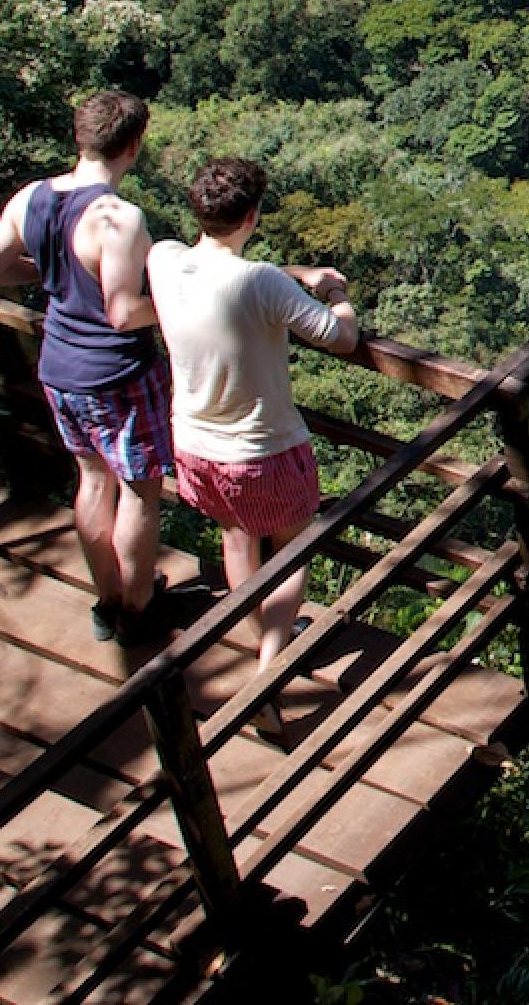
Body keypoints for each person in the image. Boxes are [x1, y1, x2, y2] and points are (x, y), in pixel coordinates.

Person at [0, 90, 176, 644]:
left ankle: (107, 600)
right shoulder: (118, 218)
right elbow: (123, 312)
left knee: (89, 480)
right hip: (118, 376)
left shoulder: (33, 197)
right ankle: (138, 606)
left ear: (78, 139)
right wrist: (179, 304)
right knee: (137, 491)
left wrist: (51, 276)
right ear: (133, 146)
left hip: (58, 367)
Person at [148, 156, 359, 679]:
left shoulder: (164, 259)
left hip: (195, 445)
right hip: (263, 449)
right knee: (294, 548)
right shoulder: (262, 283)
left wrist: (296, 276)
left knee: (238, 535)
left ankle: (255, 637)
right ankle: (269, 666)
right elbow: (342, 337)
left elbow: (227, 275)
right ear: (252, 217)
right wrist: (335, 293)